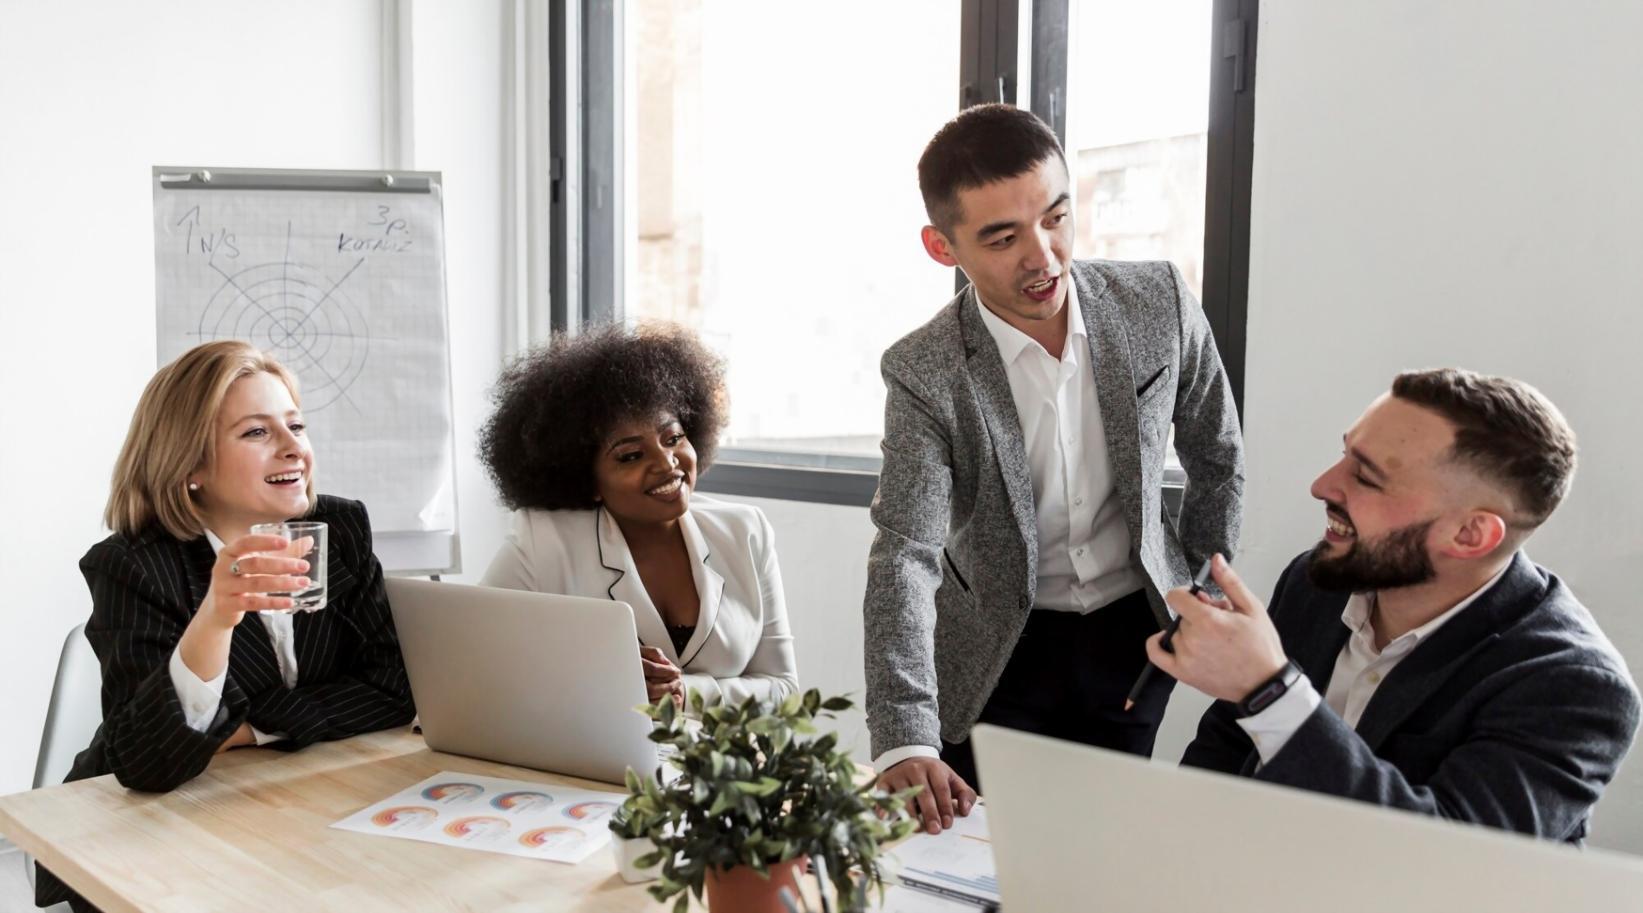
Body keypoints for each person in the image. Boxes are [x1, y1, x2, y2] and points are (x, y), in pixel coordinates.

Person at [865, 103, 1245, 833]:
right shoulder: (923, 369)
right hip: (994, 650)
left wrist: (1198, 588)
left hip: (1132, 641)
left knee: (1100, 853)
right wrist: (903, 734)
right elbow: (904, 553)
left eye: (1056, 218)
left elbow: (1216, 452)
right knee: (979, 860)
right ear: (942, 248)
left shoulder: (1157, 301)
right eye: (1002, 237)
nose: (1041, 256)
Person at [1159, 368, 1639, 843]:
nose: (1323, 485)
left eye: (1365, 476)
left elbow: (1450, 859)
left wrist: (1269, 691)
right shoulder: (1317, 582)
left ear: (1469, 534)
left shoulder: (1575, 687)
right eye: (1343, 454)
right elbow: (1227, 744)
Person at [37, 341, 416, 912]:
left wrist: (245, 729)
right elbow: (147, 763)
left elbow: (395, 690)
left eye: (296, 425)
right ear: (190, 466)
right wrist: (215, 619)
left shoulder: (340, 527)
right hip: (145, 838)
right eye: (257, 433)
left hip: (292, 808)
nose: (294, 448)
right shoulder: (134, 566)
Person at [479, 323, 798, 709]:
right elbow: (473, 665)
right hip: (596, 761)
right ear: (586, 478)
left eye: (673, 438)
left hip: (727, 766)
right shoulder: (544, 543)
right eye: (631, 456)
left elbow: (783, 690)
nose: (667, 465)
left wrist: (686, 694)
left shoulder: (745, 531)